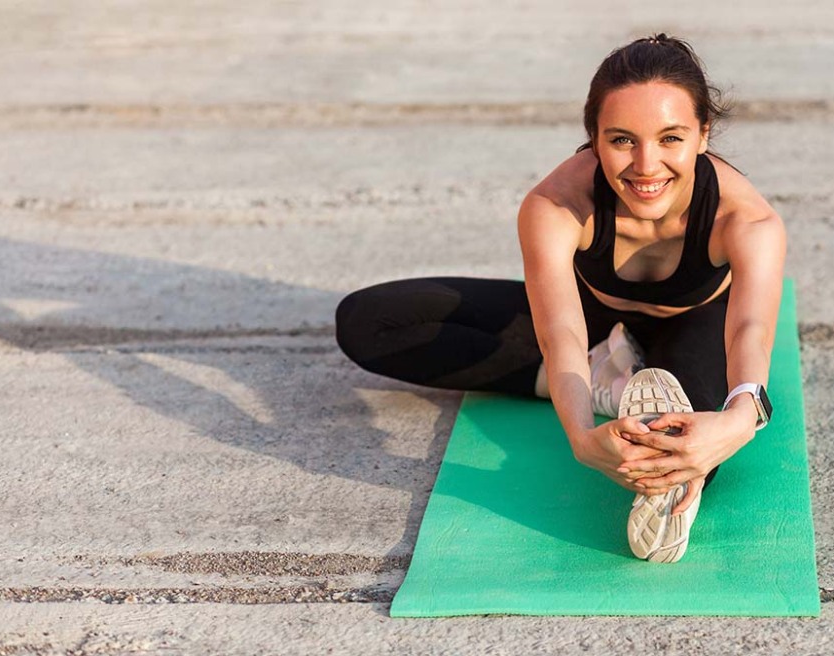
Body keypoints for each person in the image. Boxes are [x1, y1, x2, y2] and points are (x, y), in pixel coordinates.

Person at [336, 34, 785, 563]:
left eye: (670, 138)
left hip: (697, 326)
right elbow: (562, 331)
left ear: (702, 134)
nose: (645, 165)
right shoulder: (555, 204)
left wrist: (739, 419)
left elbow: (748, 329)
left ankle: (664, 459)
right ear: (594, 137)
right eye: (622, 140)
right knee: (369, 322)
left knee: (686, 430)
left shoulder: (748, 220)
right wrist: (580, 435)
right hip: (589, 326)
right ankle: (605, 385)